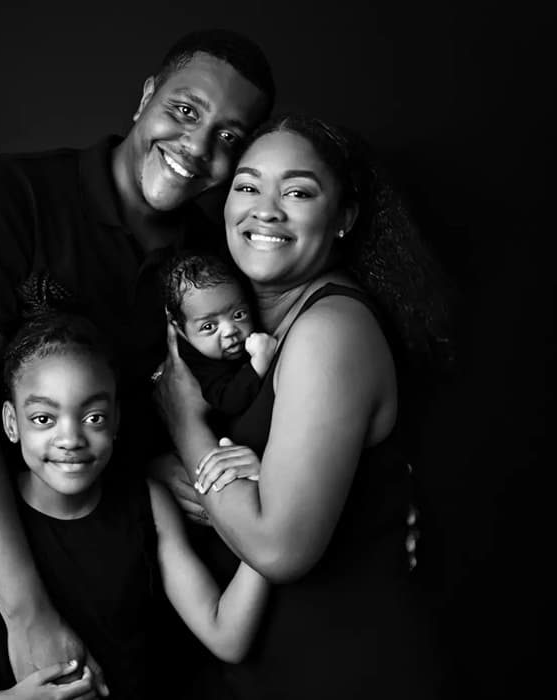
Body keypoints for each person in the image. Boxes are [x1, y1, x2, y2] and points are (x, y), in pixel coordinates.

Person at [0, 28, 274, 690]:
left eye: (230, 138)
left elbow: (260, 388)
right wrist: (28, 617)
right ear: (145, 97)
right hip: (8, 572)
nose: (197, 148)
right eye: (187, 111)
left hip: (137, 578)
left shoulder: (214, 259)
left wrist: (368, 497)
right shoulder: (13, 192)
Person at [153, 114, 451, 698]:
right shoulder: (234, 327)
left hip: (350, 671)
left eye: (297, 190)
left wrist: (183, 420)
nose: (265, 208)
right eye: (247, 185)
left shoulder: (329, 330)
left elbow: (280, 546)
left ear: (343, 218)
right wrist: (167, 469)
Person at [0, 310, 268, 700]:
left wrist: (267, 500)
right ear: (12, 423)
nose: (70, 438)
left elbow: (227, 636)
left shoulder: (149, 504)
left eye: (93, 417)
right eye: (43, 418)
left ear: (115, 421)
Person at [160, 251, 277, 421]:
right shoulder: (194, 361)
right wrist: (259, 361)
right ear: (179, 328)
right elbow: (229, 401)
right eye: (209, 326)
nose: (230, 331)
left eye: (239, 315)